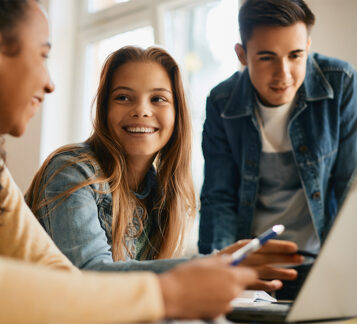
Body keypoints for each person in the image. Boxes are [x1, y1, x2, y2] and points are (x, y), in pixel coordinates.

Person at [0, 0, 260, 322]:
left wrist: (208, 272)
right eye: (43, 55)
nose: (50, 83)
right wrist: (168, 291)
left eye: (158, 98)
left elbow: (55, 272)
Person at [25, 46, 302, 291]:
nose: (141, 111)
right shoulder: (73, 171)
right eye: (123, 97)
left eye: (158, 99)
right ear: (104, 109)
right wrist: (212, 264)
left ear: (176, 114)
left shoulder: (163, 193)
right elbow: (89, 275)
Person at [198, 0, 357, 300]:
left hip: (325, 267)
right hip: (254, 271)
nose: (284, 75)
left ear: (307, 45)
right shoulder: (221, 102)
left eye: (296, 56)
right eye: (267, 58)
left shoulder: (342, 83)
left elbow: (354, 188)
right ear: (242, 55)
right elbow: (219, 199)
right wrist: (222, 273)